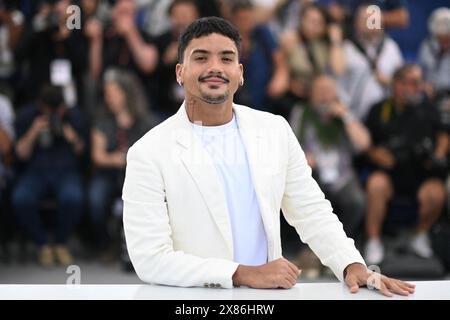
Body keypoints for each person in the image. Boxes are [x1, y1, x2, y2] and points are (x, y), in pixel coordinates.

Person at [122, 17, 414, 296]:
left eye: (226, 58)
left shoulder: (274, 129)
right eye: (200, 58)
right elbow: (150, 258)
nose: (215, 67)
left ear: (240, 72)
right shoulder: (147, 153)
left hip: (268, 298)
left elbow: (310, 210)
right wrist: (242, 273)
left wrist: (351, 264)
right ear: (179, 73)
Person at [364, 64, 448, 266]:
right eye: (412, 83)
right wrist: (376, 155)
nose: (417, 87)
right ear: (397, 85)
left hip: (421, 173)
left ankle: (418, 235)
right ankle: (373, 240)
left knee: (437, 192)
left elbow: (443, 133)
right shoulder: (379, 109)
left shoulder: (428, 109)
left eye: (419, 82)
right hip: (390, 174)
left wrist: (438, 153)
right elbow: (366, 145)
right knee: (375, 185)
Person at [12, 84, 86, 267]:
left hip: (66, 171)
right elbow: (20, 154)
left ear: (62, 107)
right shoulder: (27, 115)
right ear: (41, 106)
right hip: (35, 171)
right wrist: (33, 132)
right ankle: (42, 244)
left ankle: (60, 243)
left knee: (73, 198)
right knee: (21, 198)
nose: (52, 114)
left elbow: (84, 154)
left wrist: (71, 136)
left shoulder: (74, 116)